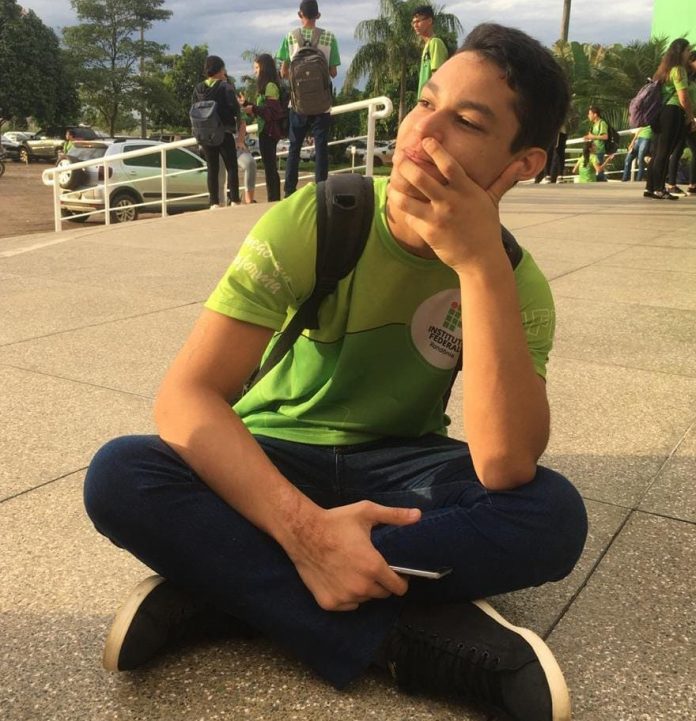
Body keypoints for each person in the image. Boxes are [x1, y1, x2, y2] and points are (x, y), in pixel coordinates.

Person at [84, 23, 587, 721]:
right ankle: (400, 643)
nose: (423, 131)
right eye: (425, 102)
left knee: (552, 515)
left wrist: (479, 267)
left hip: (399, 465)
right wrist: (307, 533)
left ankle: (220, 589)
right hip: (275, 455)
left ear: (524, 162)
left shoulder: (515, 282)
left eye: (467, 122)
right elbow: (185, 397)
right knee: (121, 474)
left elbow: (503, 465)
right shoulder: (322, 217)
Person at [276, 0, 340, 197]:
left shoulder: (290, 37)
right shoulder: (329, 37)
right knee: (321, 146)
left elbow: (284, 72)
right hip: (322, 104)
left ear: (299, 14)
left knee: (295, 147)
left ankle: (289, 191)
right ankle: (321, 190)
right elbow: (333, 72)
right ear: (318, 15)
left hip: (298, 104)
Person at [644, 37, 695, 200]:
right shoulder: (679, 70)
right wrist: (690, 117)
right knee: (665, 152)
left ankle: (650, 187)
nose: (689, 53)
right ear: (680, 52)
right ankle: (659, 188)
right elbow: (683, 98)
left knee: (658, 151)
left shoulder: (664, 69)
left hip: (660, 113)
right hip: (672, 112)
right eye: (687, 50)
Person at [192, 55, 242, 209]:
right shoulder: (225, 87)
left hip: (205, 134)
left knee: (212, 169)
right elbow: (235, 108)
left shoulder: (198, 88)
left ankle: (214, 202)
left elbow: (193, 109)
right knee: (231, 167)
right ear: (220, 70)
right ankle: (234, 200)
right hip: (224, 131)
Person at [242, 53, 284, 202]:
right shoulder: (267, 86)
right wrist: (247, 104)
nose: (255, 72)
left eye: (257, 68)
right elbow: (264, 109)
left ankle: (273, 199)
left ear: (264, 68)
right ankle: (273, 198)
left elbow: (271, 112)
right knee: (269, 167)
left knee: (270, 168)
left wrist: (253, 108)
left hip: (268, 131)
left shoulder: (270, 86)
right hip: (265, 130)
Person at [666, 50, 696, 196]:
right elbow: (683, 97)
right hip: (681, 115)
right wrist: (689, 116)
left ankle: (693, 185)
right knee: (677, 150)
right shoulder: (683, 74)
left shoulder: (693, 77)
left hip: (690, 118)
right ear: (691, 61)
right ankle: (671, 184)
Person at [412, 4, 449, 98]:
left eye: (418, 21)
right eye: (413, 22)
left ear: (429, 21)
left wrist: (430, 101)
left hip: (431, 100)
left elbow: (437, 77)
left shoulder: (435, 42)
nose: (415, 25)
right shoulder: (427, 46)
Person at [583, 106, 608, 181]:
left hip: (599, 150)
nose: (588, 115)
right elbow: (593, 137)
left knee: (599, 171)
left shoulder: (602, 123)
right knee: (595, 171)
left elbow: (605, 137)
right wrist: (588, 137)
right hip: (594, 151)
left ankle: (602, 183)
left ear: (595, 114)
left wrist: (593, 136)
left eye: (590, 113)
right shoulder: (594, 125)